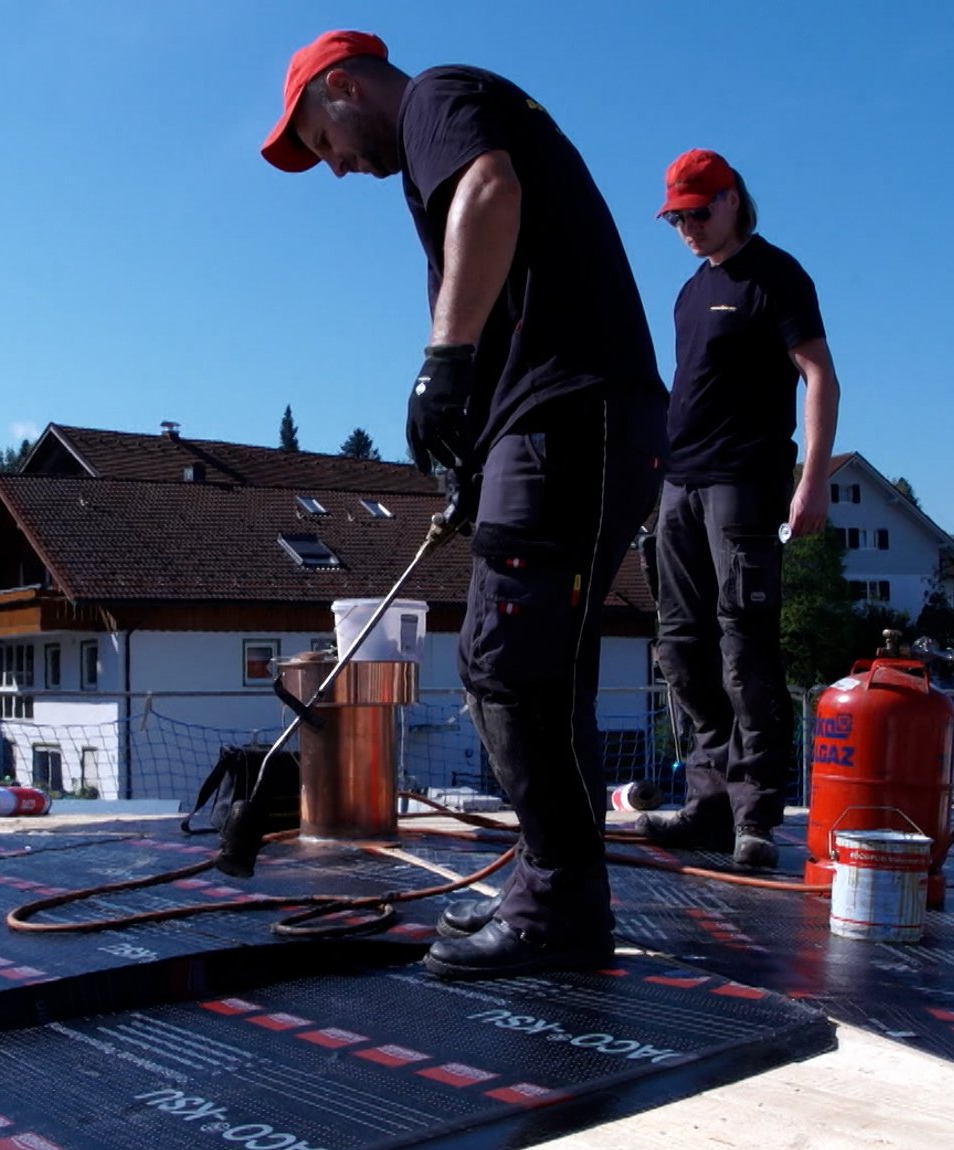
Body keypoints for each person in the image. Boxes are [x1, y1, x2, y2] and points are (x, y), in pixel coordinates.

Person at [261, 31, 666, 980]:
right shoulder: (443, 129)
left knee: (507, 665)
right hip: (571, 422)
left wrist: (445, 366)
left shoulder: (442, 97)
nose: (336, 168)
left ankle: (560, 901)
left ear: (344, 87)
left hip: (574, 418)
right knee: (537, 672)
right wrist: (474, 435)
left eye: (321, 139)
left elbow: (493, 191)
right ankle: (558, 895)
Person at [636, 149, 840, 869]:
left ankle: (756, 816)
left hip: (743, 485)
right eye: (676, 218)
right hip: (678, 485)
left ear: (731, 201)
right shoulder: (691, 291)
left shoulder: (777, 276)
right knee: (681, 650)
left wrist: (811, 481)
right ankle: (709, 805)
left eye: (696, 212)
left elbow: (820, 375)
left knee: (743, 649)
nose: (686, 226)